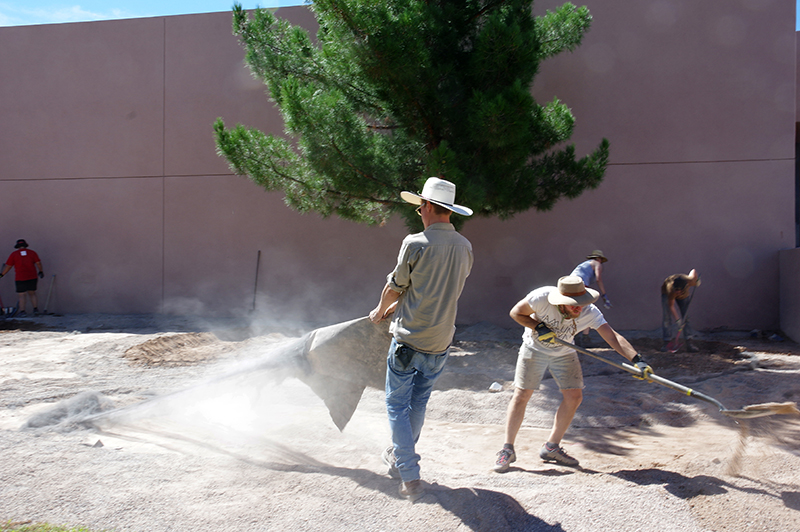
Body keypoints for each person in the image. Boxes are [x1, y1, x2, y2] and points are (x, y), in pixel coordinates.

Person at [369, 177, 474, 501]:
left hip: (408, 338)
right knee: (419, 402)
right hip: (441, 341)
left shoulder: (415, 242)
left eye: (419, 206)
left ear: (427, 206)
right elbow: (438, 288)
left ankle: (410, 473)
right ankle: (402, 455)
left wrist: (379, 310)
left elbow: (397, 286)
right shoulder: (465, 247)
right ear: (450, 210)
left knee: (396, 405)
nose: (418, 212)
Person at [493, 275, 652, 472]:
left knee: (574, 397)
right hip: (534, 349)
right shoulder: (541, 297)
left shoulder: (590, 311)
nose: (579, 308)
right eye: (573, 305)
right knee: (522, 395)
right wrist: (538, 326)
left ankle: (552, 447)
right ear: (561, 302)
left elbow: (612, 337)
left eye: (581, 303)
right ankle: (507, 449)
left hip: (565, 352)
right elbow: (516, 313)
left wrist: (638, 360)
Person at [570, 250, 611, 346]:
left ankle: (573, 336)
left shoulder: (584, 264)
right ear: (599, 258)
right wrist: (604, 295)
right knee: (587, 309)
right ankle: (585, 338)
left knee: (573, 309)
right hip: (580, 284)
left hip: (569, 285)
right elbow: (598, 279)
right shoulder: (597, 263)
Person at [0, 239, 45, 317]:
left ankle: (23, 311)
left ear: (17, 246)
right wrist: (41, 271)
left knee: (21, 295)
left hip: (20, 277)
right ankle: (35, 309)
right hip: (32, 276)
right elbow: (38, 263)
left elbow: (8, 266)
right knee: (32, 293)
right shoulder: (32, 253)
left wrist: (2, 274)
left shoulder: (14, 254)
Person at [661, 269, 701, 352]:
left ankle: (689, 343)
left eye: (679, 292)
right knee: (666, 317)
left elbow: (693, 271)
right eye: (677, 291)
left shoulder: (690, 281)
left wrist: (697, 281)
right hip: (666, 294)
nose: (678, 293)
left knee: (686, 318)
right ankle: (667, 342)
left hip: (684, 296)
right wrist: (678, 320)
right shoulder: (670, 289)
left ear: (685, 287)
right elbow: (671, 306)